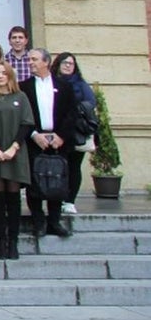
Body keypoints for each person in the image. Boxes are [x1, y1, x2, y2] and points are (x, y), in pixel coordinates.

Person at [20, 48, 76, 239]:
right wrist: (35, 134)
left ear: (46, 62)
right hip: (35, 140)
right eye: (29, 60)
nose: (31, 63)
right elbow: (23, 116)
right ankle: (38, 222)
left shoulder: (64, 86)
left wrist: (61, 136)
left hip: (58, 141)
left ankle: (54, 221)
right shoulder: (24, 87)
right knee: (35, 182)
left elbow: (72, 113)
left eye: (34, 59)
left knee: (57, 181)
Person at [0, 61, 33, 259]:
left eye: (4, 73)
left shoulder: (20, 97)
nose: (1, 76)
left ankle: (13, 241)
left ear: (10, 76)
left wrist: (14, 147)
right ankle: (1, 240)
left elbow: (26, 123)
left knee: (13, 199)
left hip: (15, 152)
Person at [52, 51, 96, 214]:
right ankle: (57, 198)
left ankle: (70, 200)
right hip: (56, 130)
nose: (68, 66)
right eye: (65, 63)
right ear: (58, 64)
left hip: (77, 131)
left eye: (71, 63)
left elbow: (91, 103)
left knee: (74, 166)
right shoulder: (51, 81)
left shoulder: (81, 84)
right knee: (58, 166)